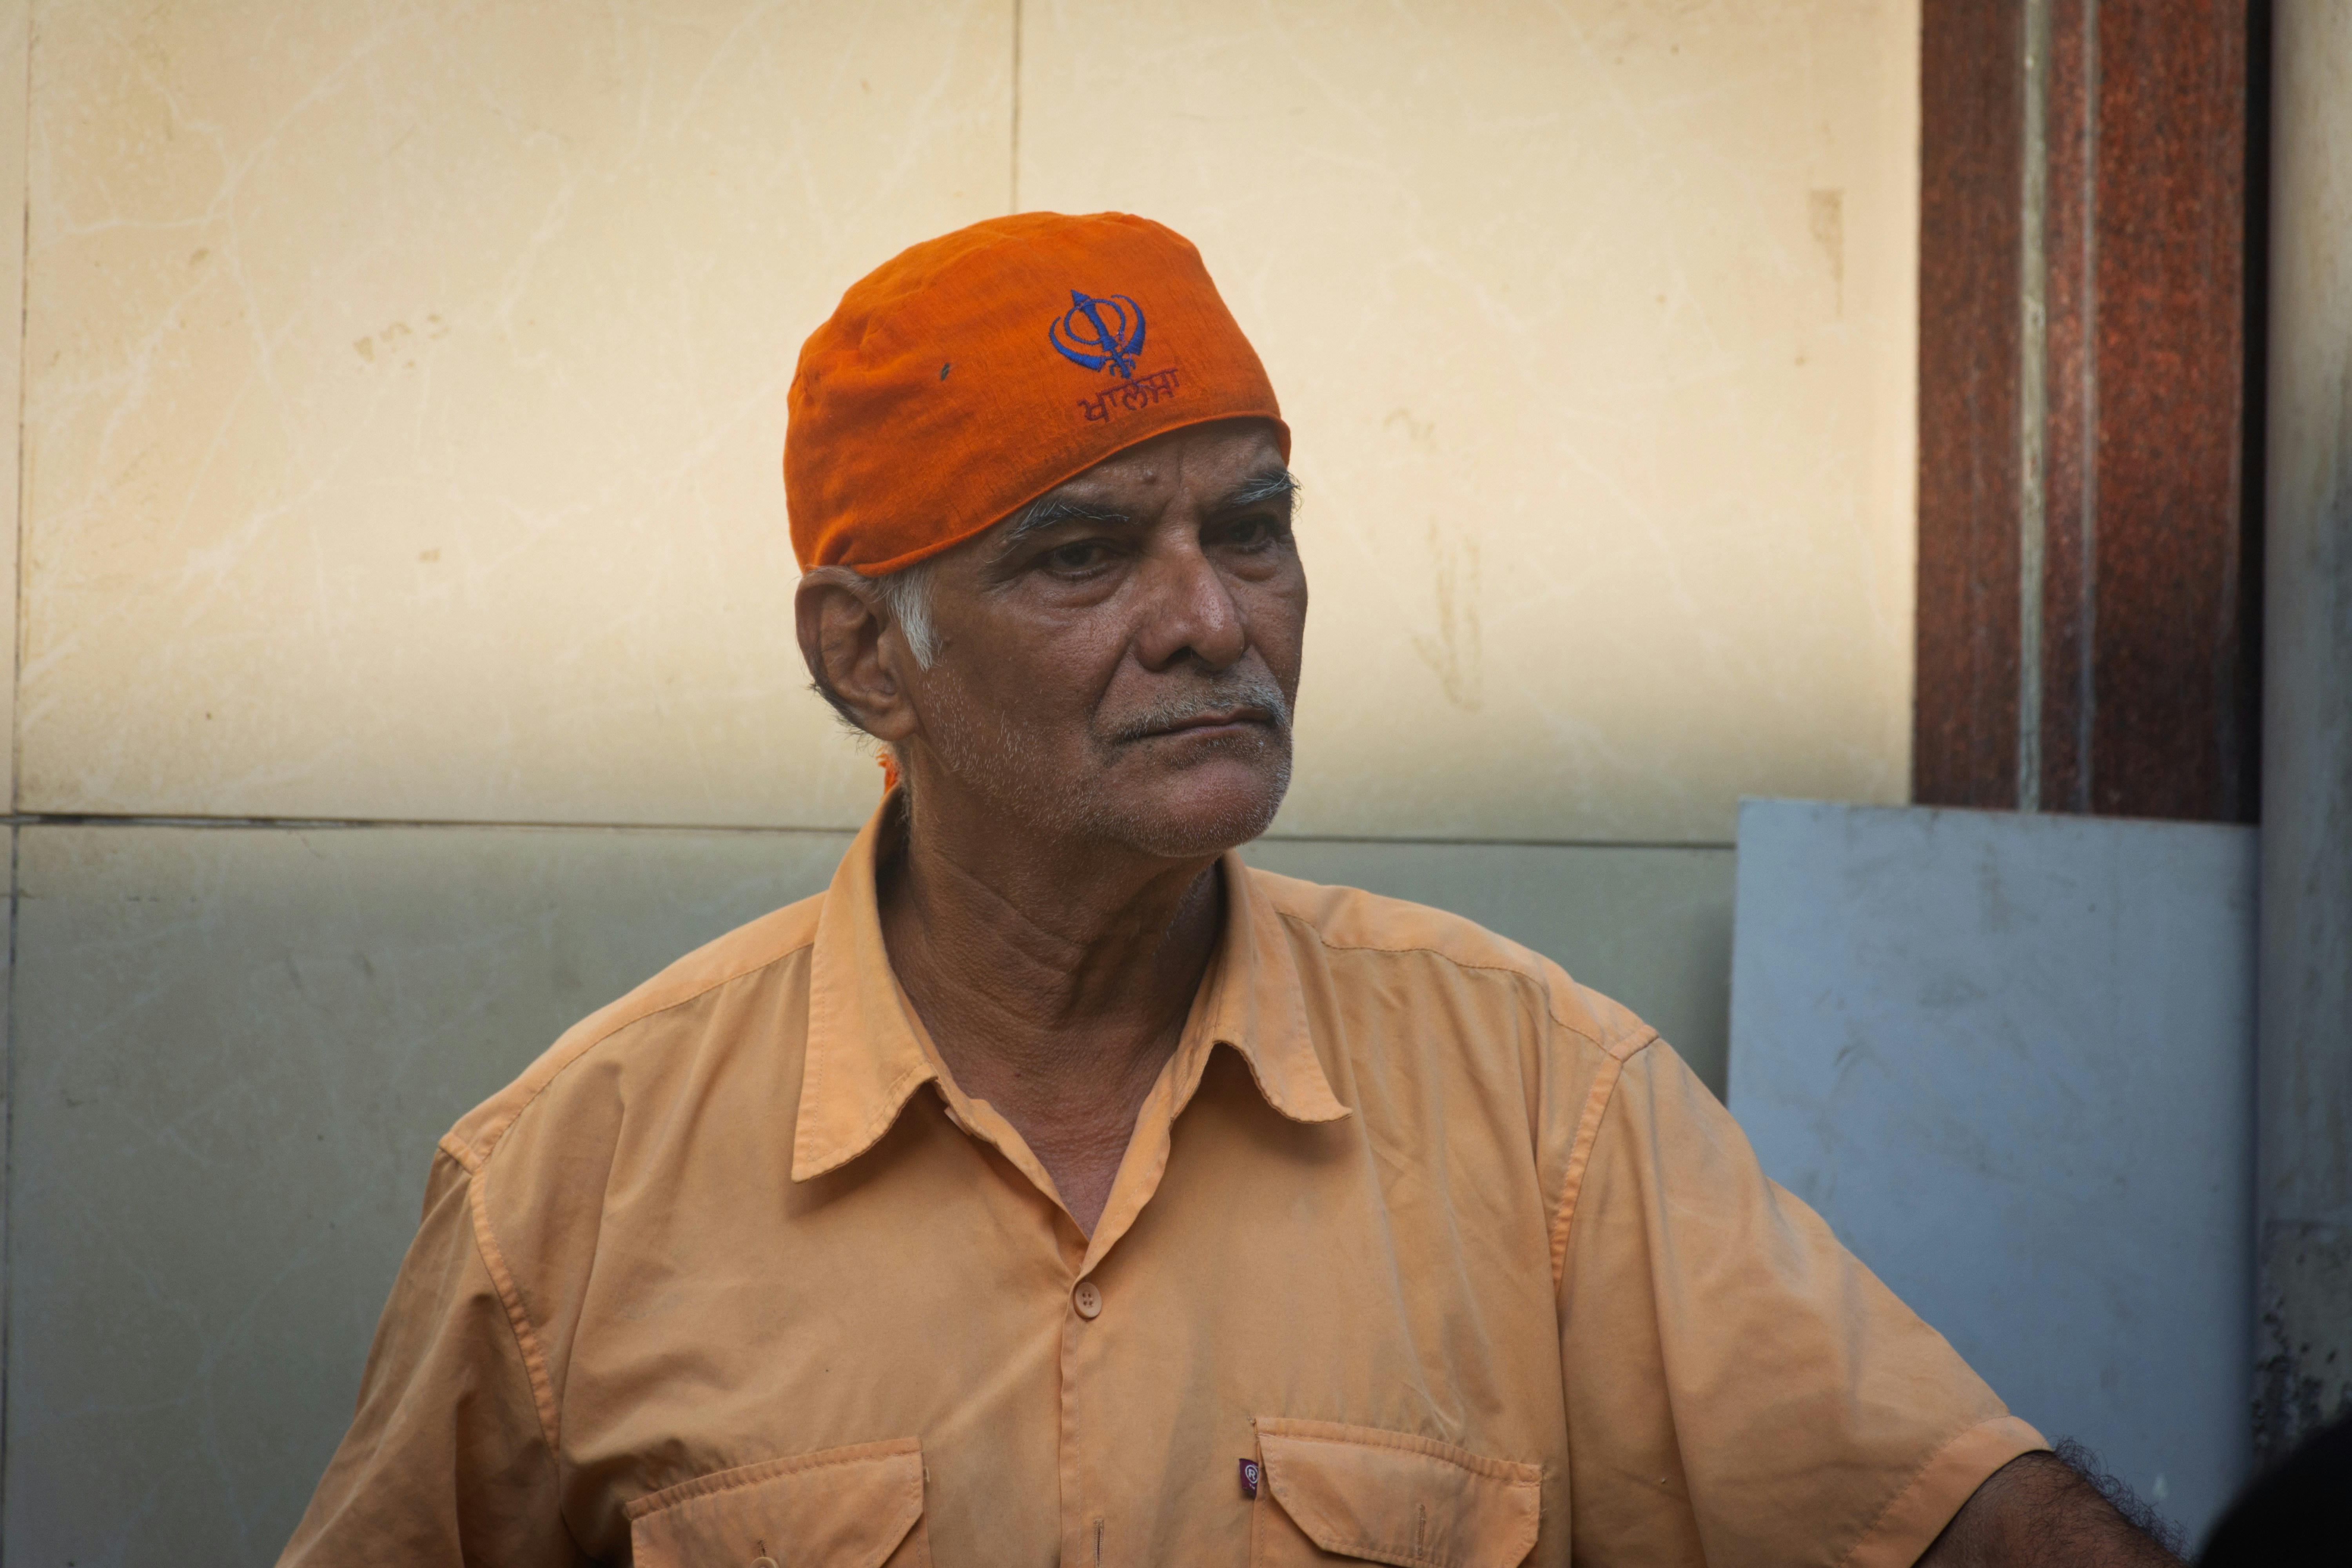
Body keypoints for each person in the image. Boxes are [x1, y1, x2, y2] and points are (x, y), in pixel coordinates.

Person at [280, 212, 2180, 1566]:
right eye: (1086, 554)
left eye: (1252, 528)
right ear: (869, 657)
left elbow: (1945, 1516)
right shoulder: (578, 1181)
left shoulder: (1540, 1100)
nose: (1212, 618)